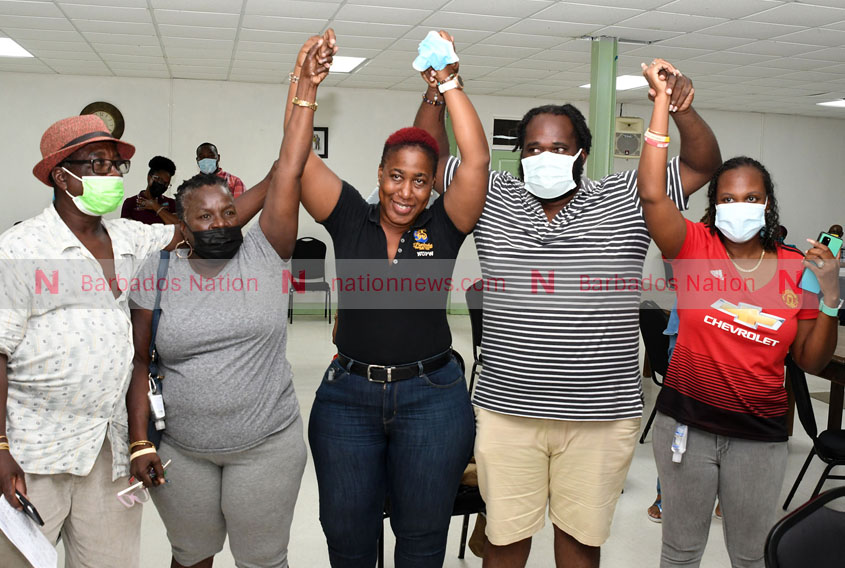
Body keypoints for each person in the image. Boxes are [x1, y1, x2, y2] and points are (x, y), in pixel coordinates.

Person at [416, 56, 722, 567]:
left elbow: (701, 165)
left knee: (580, 543)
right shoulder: (492, 194)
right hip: (508, 410)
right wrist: (435, 93)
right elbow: (433, 156)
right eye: (533, 147)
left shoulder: (628, 194)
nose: (545, 156)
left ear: (582, 153)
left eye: (559, 147)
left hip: (601, 415)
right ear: (519, 155)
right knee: (505, 540)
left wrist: (682, 109)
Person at [0, 115, 271, 567]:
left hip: (108, 450)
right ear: (61, 176)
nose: (112, 174)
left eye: (115, 165)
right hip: (35, 453)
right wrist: (0, 448)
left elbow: (207, 225)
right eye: (98, 164)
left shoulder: (128, 238)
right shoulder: (20, 249)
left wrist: (278, 173)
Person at [288, 30, 489, 567]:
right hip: (348, 399)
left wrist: (449, 83)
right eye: (396, 176)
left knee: (421, 537)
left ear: (432, 185)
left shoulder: (445, 225)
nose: (405, 191)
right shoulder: (349, 216)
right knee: (346, 535)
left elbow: (475, 160)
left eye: (420, 181)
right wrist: (305, 85)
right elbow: (297, 157)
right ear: (380, 174)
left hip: (432, 398)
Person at [638, 59, 840, 567]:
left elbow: (811, 361)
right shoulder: (693, 247)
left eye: (751, 197)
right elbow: (652, 193)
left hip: (760, 436)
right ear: (714, 204)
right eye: (727, 198)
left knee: (751, 556)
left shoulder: (796, 268)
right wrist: (663, 105)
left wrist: (831, 294)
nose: (739, 205)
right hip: (686, 426)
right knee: (680, 551)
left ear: (767, 204)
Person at [124, 45, 319, 566]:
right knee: (191, 554)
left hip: (267, 446)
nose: (220, 223)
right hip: (181, 451)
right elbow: (140, 363)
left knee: (262, 558)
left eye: (228, 213)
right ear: (182, 225)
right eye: (205, 217)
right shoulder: (157, 274)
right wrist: (140, 442)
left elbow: (288, 168)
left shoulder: (265, 250)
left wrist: (304, 90)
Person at [120, 155, 179, 224]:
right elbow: (126, 228)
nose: (162, 185)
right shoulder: (131, 203)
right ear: (149, 177)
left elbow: (179, 225)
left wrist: (155, 206)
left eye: (166, 184)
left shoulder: (171, 204)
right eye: (159, 180)